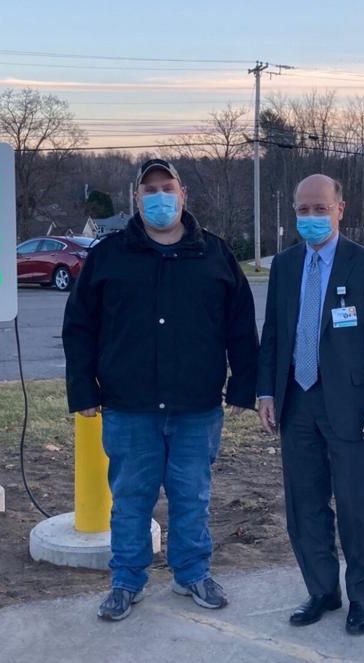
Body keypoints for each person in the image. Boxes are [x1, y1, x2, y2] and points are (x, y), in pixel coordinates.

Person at [62, 158, 259, 622]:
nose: (158, 197)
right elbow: (79, 327)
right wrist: (82, 390)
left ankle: (192, 572)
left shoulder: (214, 254)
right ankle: (127, 580)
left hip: (197, 406)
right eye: (149, 190)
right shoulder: (109, 256)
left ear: (183, 193)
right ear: (137, 198)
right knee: (130, 498)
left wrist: (244, 386)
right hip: (129, 406)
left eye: (165, 187)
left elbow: (240, 326)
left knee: (192, 496)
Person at [256, 174, 364, 635]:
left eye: (321, 209)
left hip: (354, 408)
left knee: (357, 504)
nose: (311, 217)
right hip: (295, 403)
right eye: (303, 210)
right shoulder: (283, 265)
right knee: (305, 504)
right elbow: (273, 335)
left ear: (341, 209)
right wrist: (265, 392)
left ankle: (362, 596)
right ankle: (322, 589)